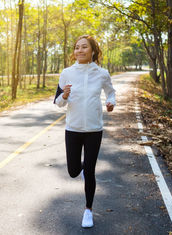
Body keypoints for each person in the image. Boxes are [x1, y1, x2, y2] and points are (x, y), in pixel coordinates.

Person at [54, 35, 116, 228]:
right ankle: (81, 169)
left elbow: (111, 92)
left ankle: (88, 210)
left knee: (89, 171)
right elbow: (57, 103)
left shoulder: (102, 73)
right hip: (72, 129)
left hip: (94, 130)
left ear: (92, 51)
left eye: (84, 47)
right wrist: (63, 95)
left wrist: (110, 102)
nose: (79, 50)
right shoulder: (66, 73)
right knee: (74, 171)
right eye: (77, 47)